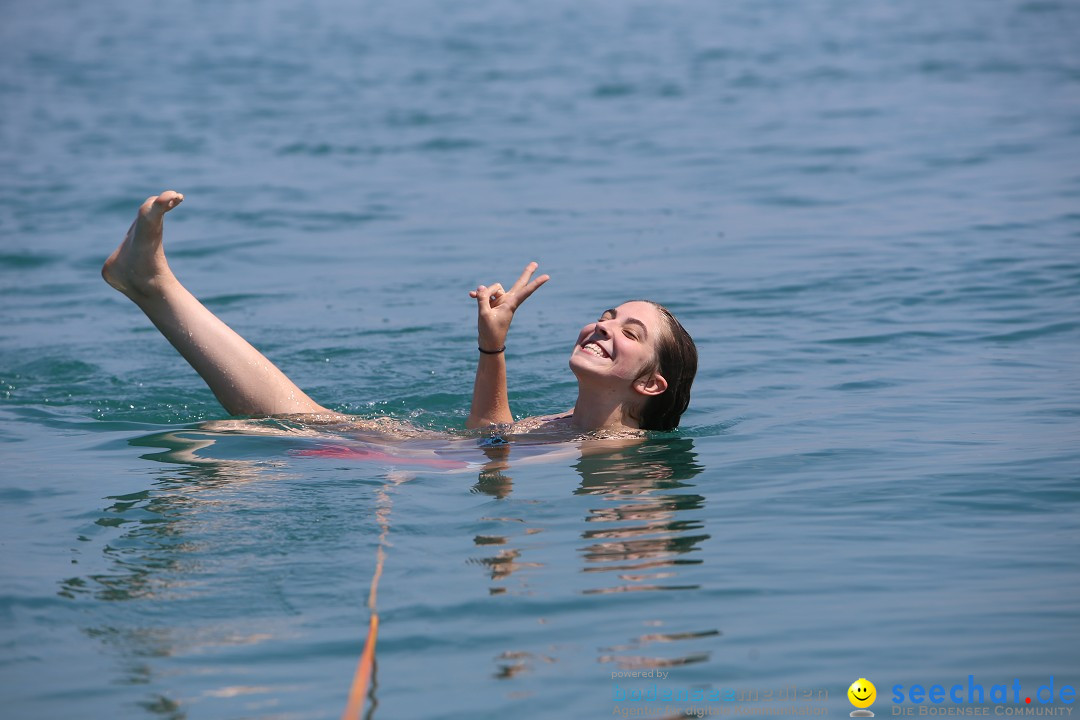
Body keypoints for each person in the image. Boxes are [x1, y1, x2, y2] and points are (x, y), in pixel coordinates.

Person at [103, 191, 697, 436]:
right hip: (410, 457)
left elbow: (496, 477)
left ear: (650, 381)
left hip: (400, 467)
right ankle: (153, 285)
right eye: (608, 314)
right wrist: (493, 346)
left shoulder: (621, 459)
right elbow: (491, 442)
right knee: (297, 421)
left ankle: (153, 285)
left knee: (297, 423)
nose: (603, 326)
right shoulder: (563, 425)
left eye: (629, 330)